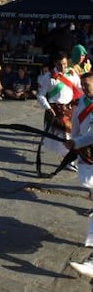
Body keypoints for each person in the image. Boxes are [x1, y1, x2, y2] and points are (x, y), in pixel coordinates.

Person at [66, 73, 93, 277]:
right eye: (82, 84)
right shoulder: (81, 102)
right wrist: (73, 143)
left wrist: (78, 142)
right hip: (88, 156)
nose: (84, 87)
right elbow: (76, 125)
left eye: (88, 84)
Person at [36, 51, 82, 172]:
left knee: (73, 134)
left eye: (65, 64)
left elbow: (81, 89)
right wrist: (47, 107)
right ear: (55, 63)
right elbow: (40, 95)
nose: (63, 67)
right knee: (64, 136)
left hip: (71, 109)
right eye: (60, 64)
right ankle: (68, 160)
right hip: (56, 110)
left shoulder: (72, 74)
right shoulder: (48, 77)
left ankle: (68, 159)